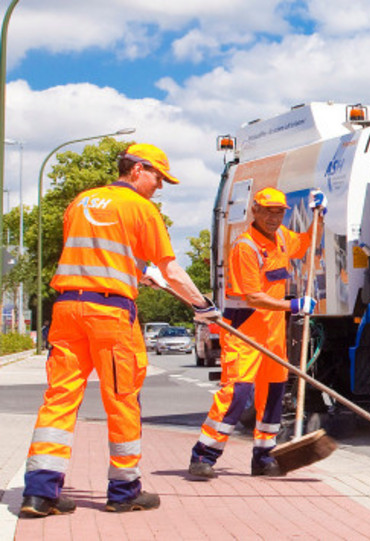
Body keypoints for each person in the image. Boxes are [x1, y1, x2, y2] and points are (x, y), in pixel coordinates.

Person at [20, 144, 220, 518]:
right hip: (110, 315)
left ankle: (39, 493)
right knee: (122, 399)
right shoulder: (141, 208)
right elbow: (172, 270)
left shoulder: (80, 201)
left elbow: (91, 255)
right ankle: (124, 491)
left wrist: (134, 274)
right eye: (159, 177)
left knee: (59, 399)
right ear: (138, 170)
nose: (160, 186)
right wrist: (203, 307)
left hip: (67, 309)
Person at [188, 187, 325, 479]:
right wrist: (294, 304)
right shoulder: (245, 247)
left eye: (279, 212)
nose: (274, 217)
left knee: (273, 393)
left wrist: (319, 216)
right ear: (255, 211)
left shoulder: (283, 239)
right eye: (268, 211)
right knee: (237, 392)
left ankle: (264, 457)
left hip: (273, 332)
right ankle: (204, 455)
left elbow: (308, 243)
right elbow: (253, 297)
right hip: (244, 331)